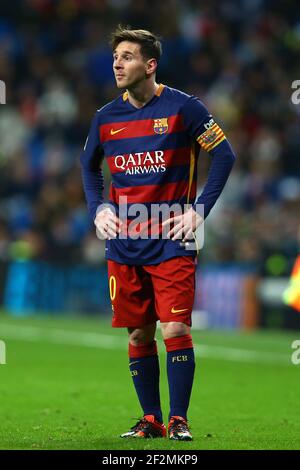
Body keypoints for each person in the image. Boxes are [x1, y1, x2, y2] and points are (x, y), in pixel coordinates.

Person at [80, 25, 236, 441]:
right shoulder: (105, 118)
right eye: (116, 56)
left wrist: (200, 211)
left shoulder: (186, 109)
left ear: (150, 65)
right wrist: (98, 210)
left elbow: (224, 155)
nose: (117, 62)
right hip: (124, 241)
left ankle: (178, 419)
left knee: (175, 329)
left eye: (127, 56)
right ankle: (150, 419)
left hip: (172, 238)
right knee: (137, 331)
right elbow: (88, 166)